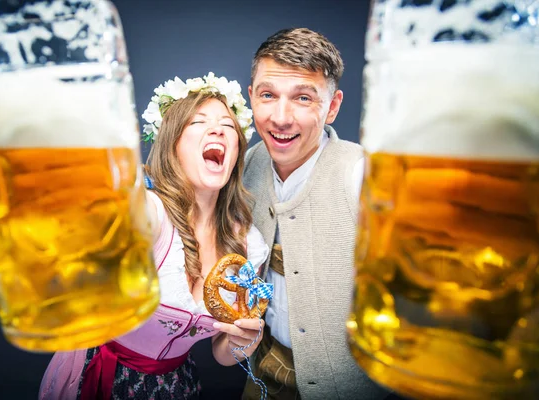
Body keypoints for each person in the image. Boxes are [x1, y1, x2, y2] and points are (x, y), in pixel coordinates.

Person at [39, 73, 269, 400]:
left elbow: (222, 352)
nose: (217, 129)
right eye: (198, 122)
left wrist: (241, 342)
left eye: (228, 126)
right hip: (99, 375)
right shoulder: (150, 213)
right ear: (171, 143)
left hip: (176, 385)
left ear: (235, 152)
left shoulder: (248, 244)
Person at [241, 28, 390, 400]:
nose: (280, 118)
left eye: (303, 98)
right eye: (268, 95)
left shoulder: (364, 176)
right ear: (251, 97)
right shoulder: (245, 165)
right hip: (259, 381)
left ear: (333, 106)